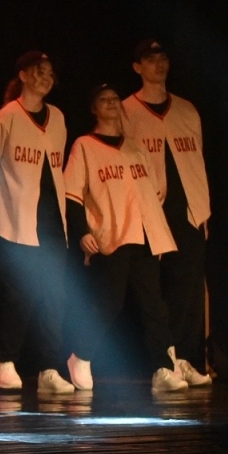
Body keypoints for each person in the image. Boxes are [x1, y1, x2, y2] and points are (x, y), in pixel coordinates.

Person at [62, 84, 190, 394]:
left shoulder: (136, 147)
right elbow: (72, 195)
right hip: (113, 234)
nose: (111, 104)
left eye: (115, 99)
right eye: (103, 100)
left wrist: (157, 233)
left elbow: (152, 193)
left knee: (153, 305)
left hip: (144, 234)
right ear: (94, 108)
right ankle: (81, 355)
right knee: (109, 302)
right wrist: (82, 233)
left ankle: (162, 368)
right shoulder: (84, 145)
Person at [0, 51, 75, 396]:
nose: (47, 77)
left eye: (50, 72)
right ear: (23, 75)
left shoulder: (59, 118)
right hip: (14, 220)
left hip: (51, 222)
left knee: (54, 296)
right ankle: (4, 363)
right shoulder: (6, 118)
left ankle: (50, 367)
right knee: (20, 295)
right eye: (40, 71)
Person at [122, 39, 212, 386]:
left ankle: (186, 357)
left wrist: (203, 209)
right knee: (153, 288)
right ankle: (164, 358)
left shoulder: (187, 110)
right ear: (137, 67)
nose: (158, 64)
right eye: (149, 59)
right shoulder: (128, 110)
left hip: (188, 208)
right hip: (150, 208)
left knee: (188, 284)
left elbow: (197, 160)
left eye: (162, 58)